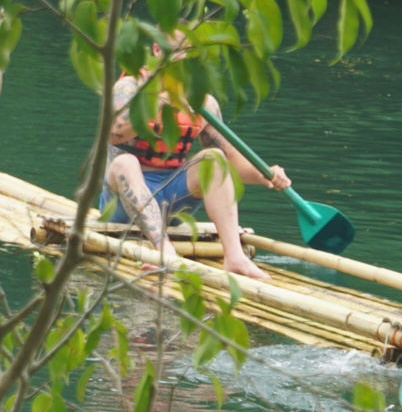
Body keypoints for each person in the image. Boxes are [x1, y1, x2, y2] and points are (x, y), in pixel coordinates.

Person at [102, 36, 290, 279]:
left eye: (188, 52)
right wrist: (158, 99)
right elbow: (113, 133)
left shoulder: (203, 102)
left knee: (214, 158)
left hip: (173, 201)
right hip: (123, 202)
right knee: (125, 162)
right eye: (176, 50)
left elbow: (230, 157)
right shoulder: (129, 87)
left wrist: (266, 174)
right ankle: (164, 252)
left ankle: (234, 257)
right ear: (157, 50)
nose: (182, 58)